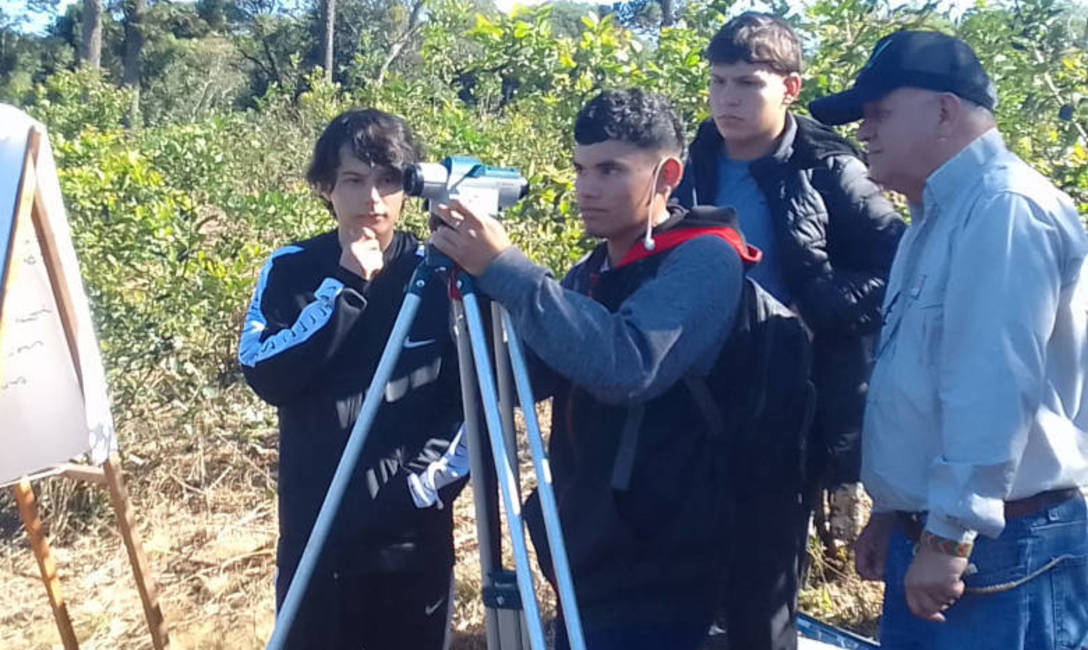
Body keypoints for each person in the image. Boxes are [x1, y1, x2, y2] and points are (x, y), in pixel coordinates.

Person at [431, 89, 750, 650]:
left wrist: (508, 269)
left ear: (667, 175)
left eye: (610, 170)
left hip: (667, 563)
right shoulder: (595, 268)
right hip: (593, 549)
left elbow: (627, 365)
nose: (586, 187)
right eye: (580, 169)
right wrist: (469, 283)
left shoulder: (706, 258)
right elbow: (523, 374)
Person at [809, 30, 1088, 648]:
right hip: (955, 535)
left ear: (944, 111)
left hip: (997, 546)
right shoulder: (938, 215)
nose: (864, 132)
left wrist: (948, 536)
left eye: (879, 113)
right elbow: (923, 377)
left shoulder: (1005, 209)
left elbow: (992, 386)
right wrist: (894, 509)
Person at [673, 12, 904, 650]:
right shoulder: (689, 163)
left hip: (790, 402)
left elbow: (901, 267)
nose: (727, 99)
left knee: (764, 582)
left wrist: (815, 311)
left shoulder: (829, 168)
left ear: (790, 88)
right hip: (694, 395)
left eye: (747, 83)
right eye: (718, 82)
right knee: (689, 568)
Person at [238, 108, 467, 649]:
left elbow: (471, 401)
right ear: (325, 187)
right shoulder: (291, 267)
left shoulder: (439, 272)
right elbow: (266, 373)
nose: (373, 199)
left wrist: (417, 488)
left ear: (411, 187)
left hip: (409, 543)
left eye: (389, 180)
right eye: (354, 180)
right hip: (313, 539)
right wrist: (344, 286)